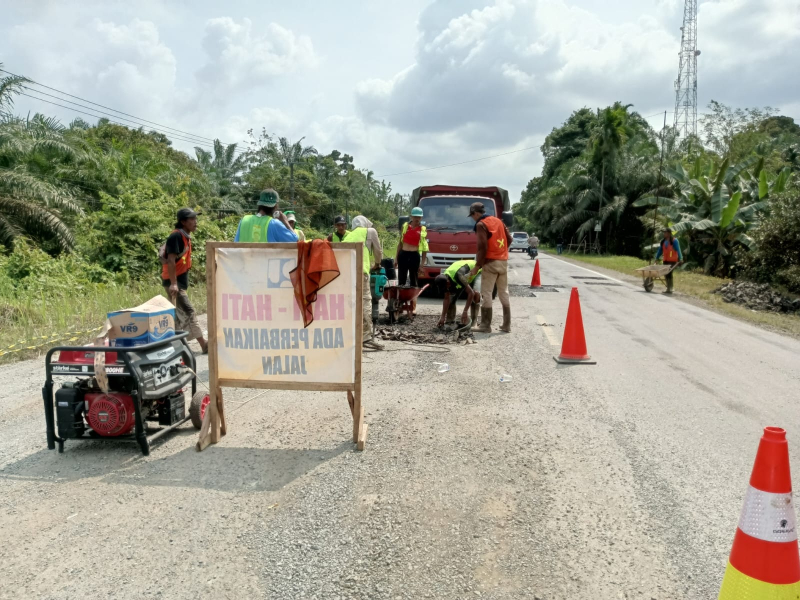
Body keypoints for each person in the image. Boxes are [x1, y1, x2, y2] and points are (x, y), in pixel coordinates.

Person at [161, 208, 208, 353]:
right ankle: (203, 344)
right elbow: (170, 260)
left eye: (195, 218)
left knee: (178, 314)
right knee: (189, 311)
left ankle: (177, 347)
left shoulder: (185, 236)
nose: (195, 222)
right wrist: (174, 284)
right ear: (183, 222)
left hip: (178, 282)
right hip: (173, 282)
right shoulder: (176, 236)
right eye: (192, 219)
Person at [467, 202, 512, 334]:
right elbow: (509, 239)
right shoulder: (498, 221)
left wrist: (477, 266)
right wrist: (501, 251)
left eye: (472, 216)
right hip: (503, 261)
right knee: (504, 292)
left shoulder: (481, 225)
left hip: (490, 263)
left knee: (486, 293)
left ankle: (485, 325)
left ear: (476, 213)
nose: (473, 218)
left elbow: (482, 247)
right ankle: (506, 324)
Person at [343, 216, 383, 350]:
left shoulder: (348, 236)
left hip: (346, 273)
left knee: (351, 303)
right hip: (362, 272)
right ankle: (365, 337)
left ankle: (349, 334)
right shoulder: (369, 231)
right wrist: (377, 264)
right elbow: (378, 251)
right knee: (365, 301)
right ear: (365, 223)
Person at [394, 206, 429, 314]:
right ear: (411, 217)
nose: (417, 219)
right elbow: (400, 243)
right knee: (401, 280)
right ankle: (399, 305)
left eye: (419, 217)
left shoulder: (422, 230)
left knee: (414, 281)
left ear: (421, 217)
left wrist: (422, 265)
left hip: (414, 255)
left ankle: (413, 306)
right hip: (403, 254)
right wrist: (396, 258)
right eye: (415, 217)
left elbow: (424, 249)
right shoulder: (405, 226)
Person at [234, 189, 298, 243]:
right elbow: (295, 241)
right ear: (275, 206)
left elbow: (236, 243)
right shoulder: (275, 224)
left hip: (244, 258)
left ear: (260, 204)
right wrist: (286, 222)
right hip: (266, 258)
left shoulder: (244, 220)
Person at [435, 259, 481, 328]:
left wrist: (465, 312)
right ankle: (450, 322)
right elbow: (446, 298)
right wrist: (442, 317)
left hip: (477, 271)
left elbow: (470, 293)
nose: (446, 289)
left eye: (446, 287)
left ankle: (474, 323)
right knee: (451, 298)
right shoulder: (444, 279)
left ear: (448, 282)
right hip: (465, 275)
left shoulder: (459, 276)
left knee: (475, 294)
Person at [655, 228, 683, 294]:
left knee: (669, 272)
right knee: (665, 273)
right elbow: (660, 251)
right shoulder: (663, 241)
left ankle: (671, 287)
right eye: (664, 232)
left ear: (669, 233)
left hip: (672, 260)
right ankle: (668, 288)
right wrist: (656, 258)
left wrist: (681, 258)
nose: (664, 234)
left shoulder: (674, 241)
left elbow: (678, 250)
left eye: (665, 232)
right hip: (666, 260)